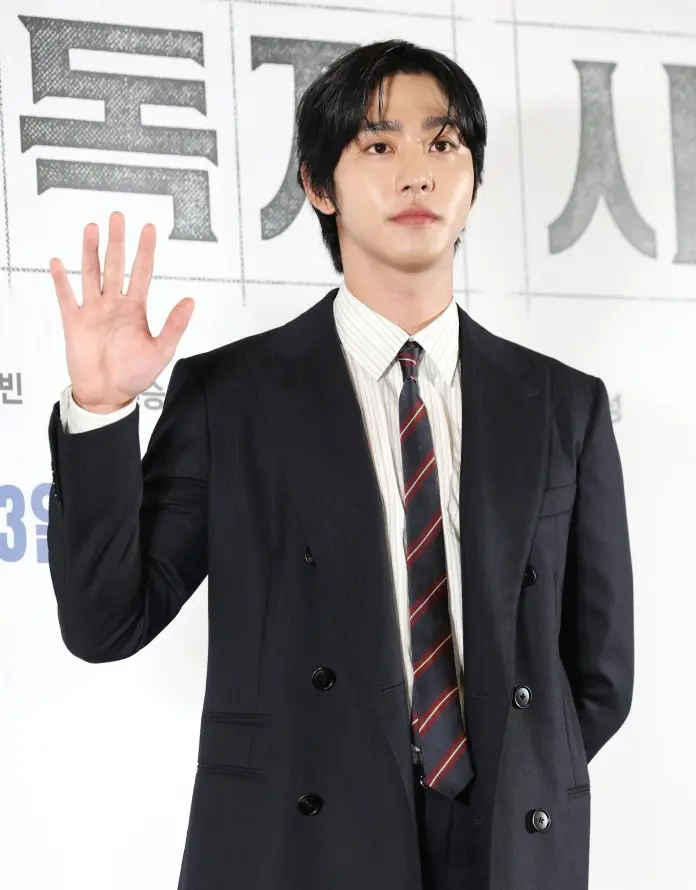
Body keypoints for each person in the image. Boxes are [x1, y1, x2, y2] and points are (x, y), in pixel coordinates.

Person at [45, 39, 633, 890]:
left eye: (443, 144)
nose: (418, 173)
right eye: (379, 144)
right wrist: (101, 412)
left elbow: (599, 673)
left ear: (473, 180)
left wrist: (513, 778)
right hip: (297, 844)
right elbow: (104, 622)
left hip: (507, 849)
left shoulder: (562, 405)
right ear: (319, 185)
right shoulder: (235, 394)